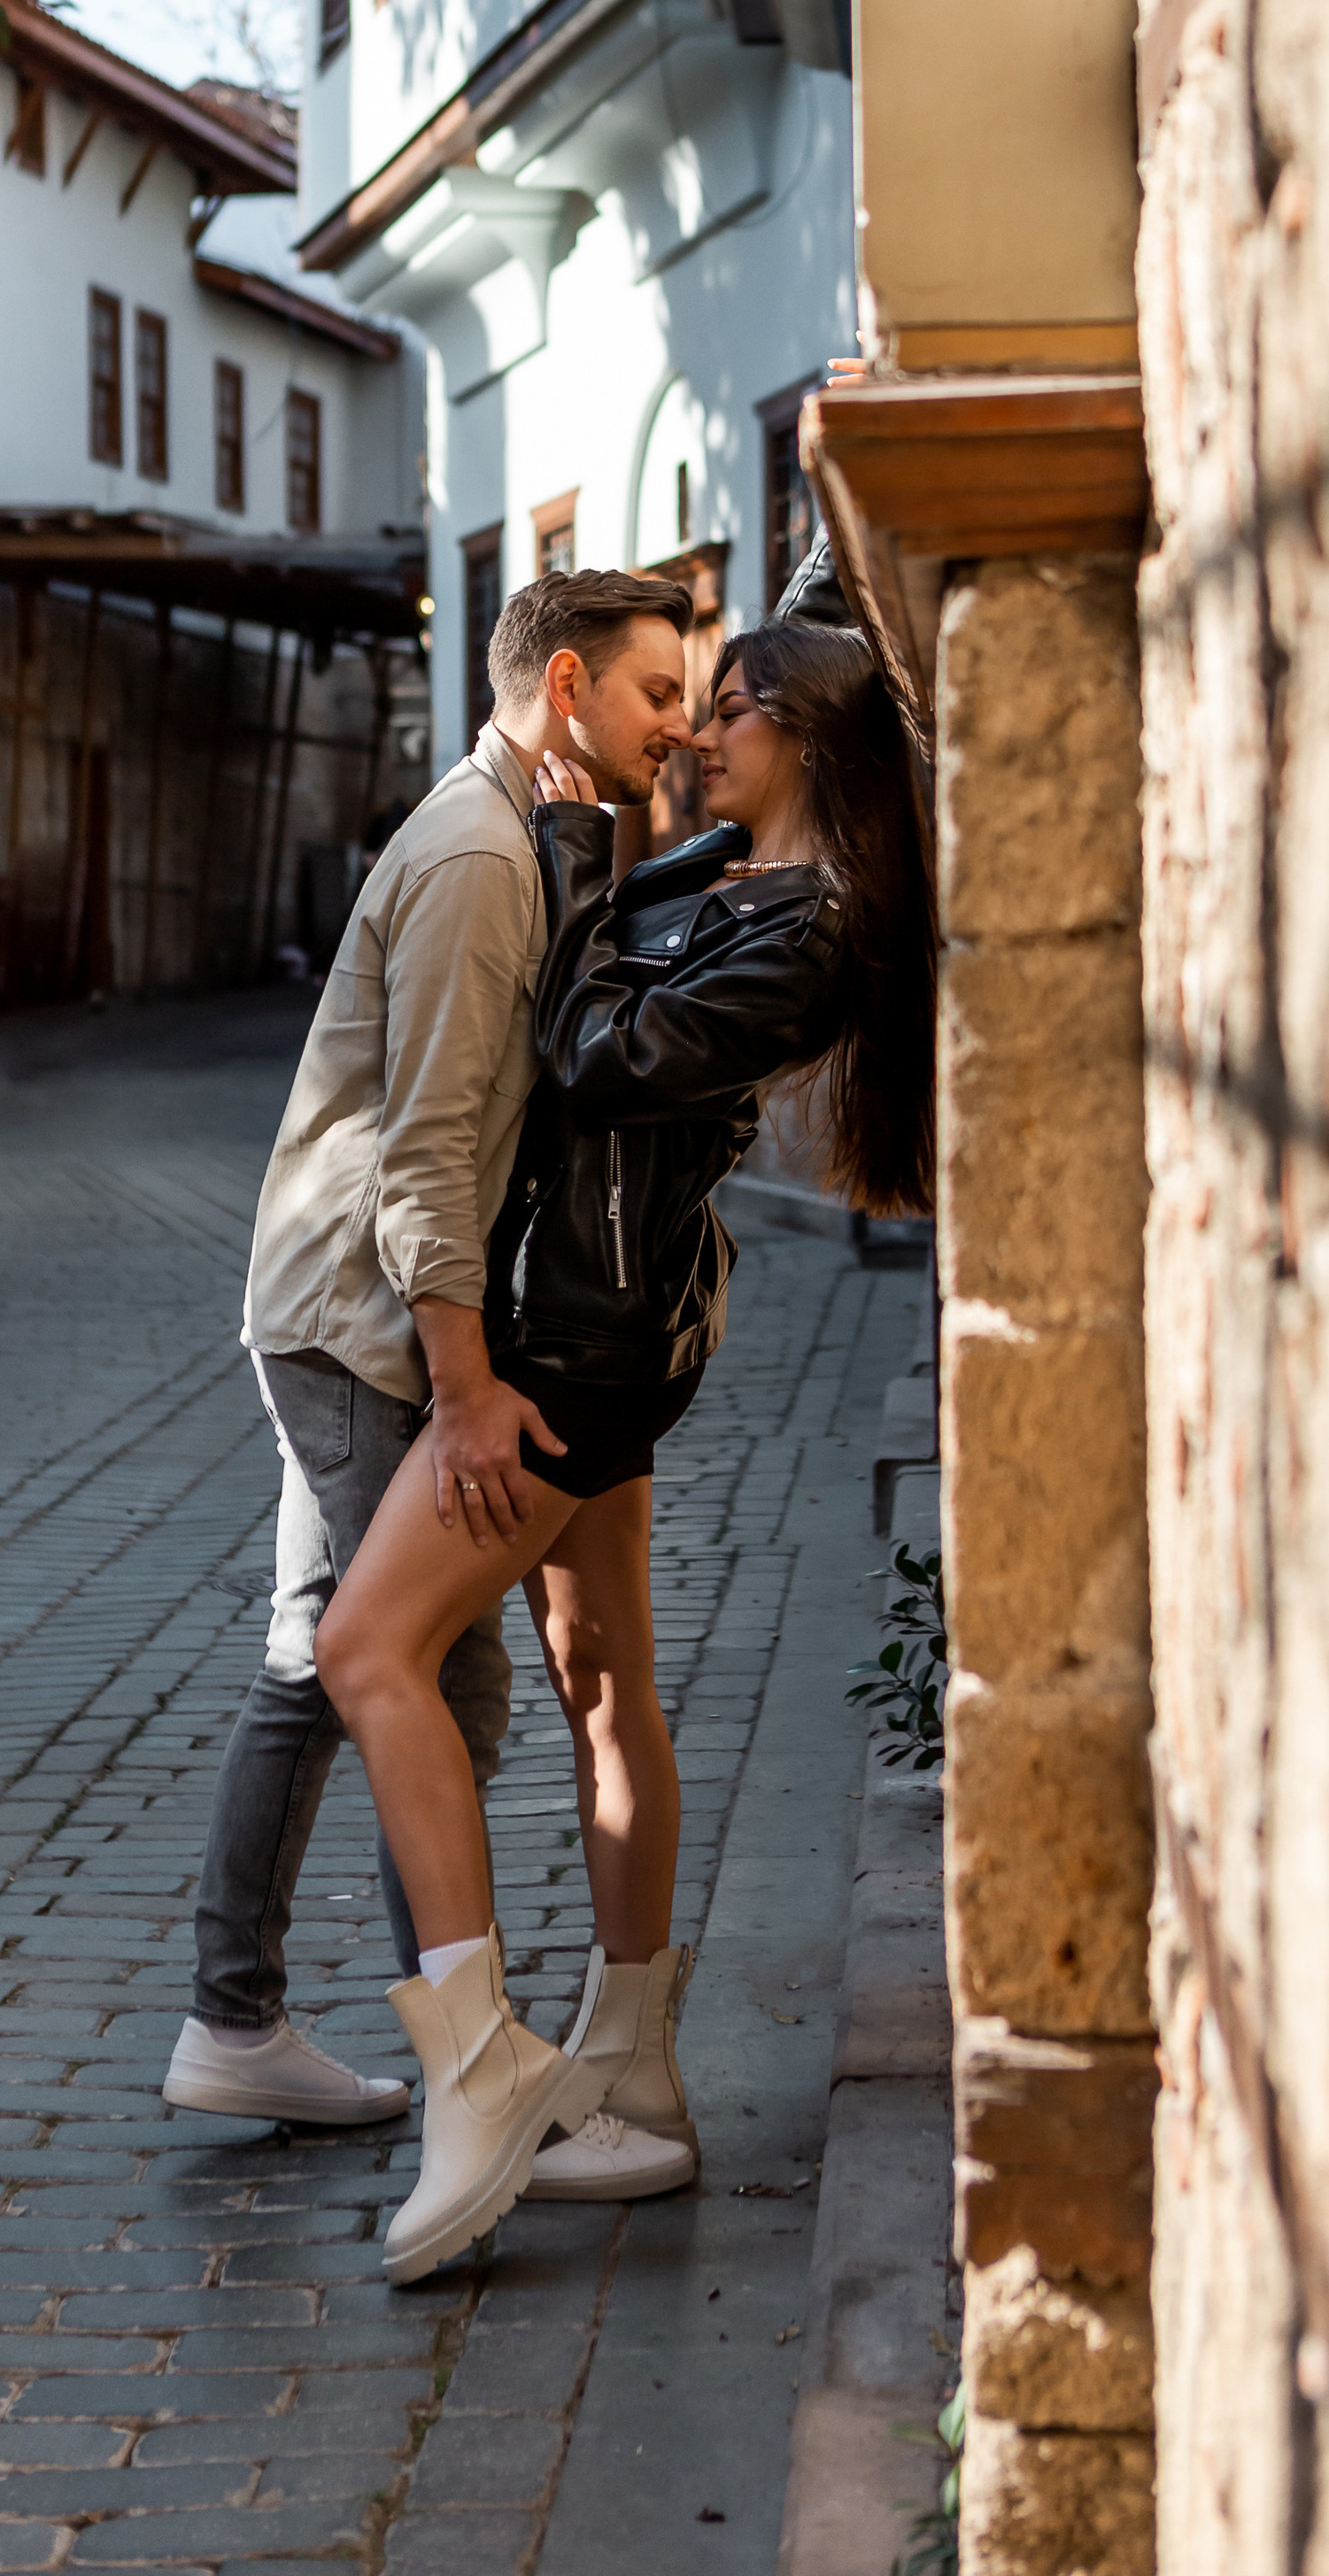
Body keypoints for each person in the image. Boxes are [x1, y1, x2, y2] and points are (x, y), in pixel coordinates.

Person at [314, 616, 938, 2281]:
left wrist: (582, 846)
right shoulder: (739, 875)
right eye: (695, 703)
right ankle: (638, 2074)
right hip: (605, 1325)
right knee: (603, 1679)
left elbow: (592, 1053)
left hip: (581, 1356)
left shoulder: (807, 930)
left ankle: (480, 2065)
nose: (699, 736)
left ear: (810, 735)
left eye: (729, 709)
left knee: (366, 1646)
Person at [162, 570, 696, 2128]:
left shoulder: (513, 830)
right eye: (661, 690)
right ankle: (472, 2076)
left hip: (346, 1313)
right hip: (363, 1327)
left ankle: (242, 2019)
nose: (677, 721)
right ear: (573, 686)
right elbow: (429, 1152)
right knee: (418, 1677)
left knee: (322, 1652)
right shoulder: (479, 858)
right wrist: (467, 1391)